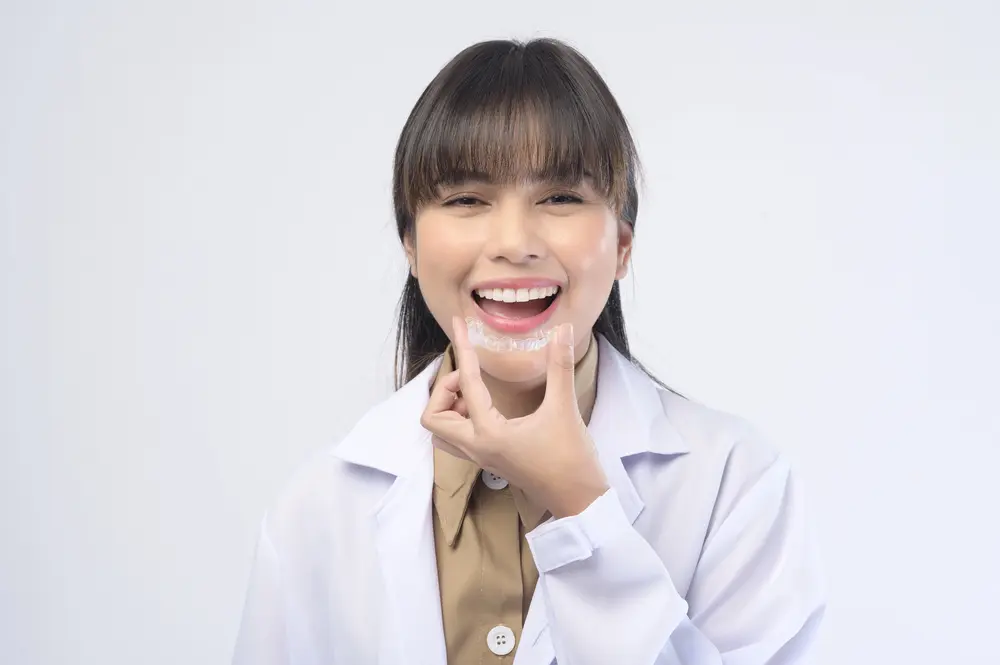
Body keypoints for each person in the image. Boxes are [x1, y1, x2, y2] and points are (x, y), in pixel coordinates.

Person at [232, 38, 826, 665]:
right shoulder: (317, 509)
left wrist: (580, 509)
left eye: (561, 197)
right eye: (466, 199)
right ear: (410, 243)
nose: (515, 243)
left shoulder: (737, 483)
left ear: (622, 245)